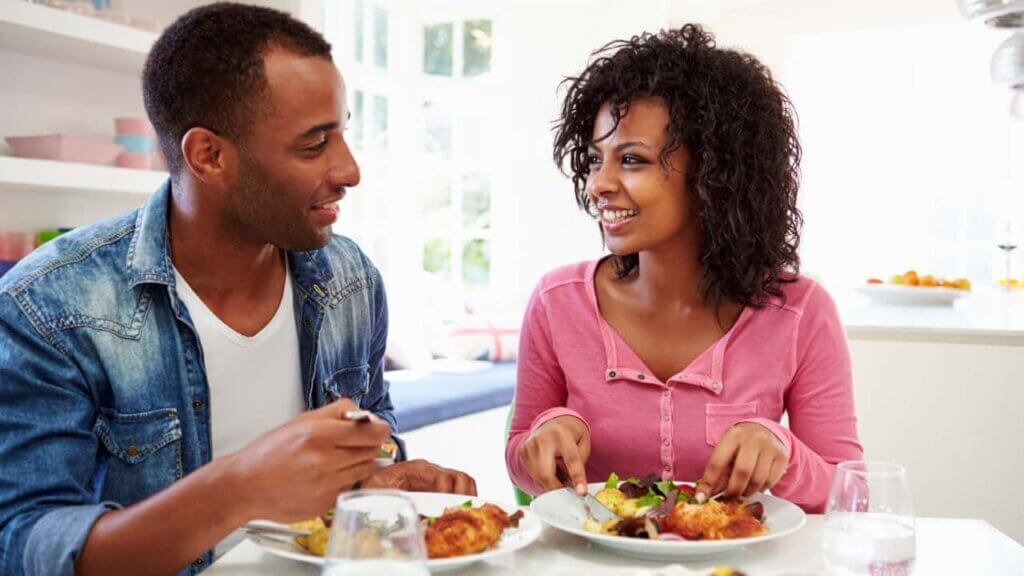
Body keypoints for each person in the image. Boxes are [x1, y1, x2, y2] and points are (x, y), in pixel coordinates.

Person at [0, 4, 474, 575]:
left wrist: (378, 475)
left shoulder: (351, 279)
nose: (350, 170)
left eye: (342, 132)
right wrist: (239, 486)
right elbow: (25, 546)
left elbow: (373, 423)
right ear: (209, 156)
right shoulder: (52, 305)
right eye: (313, 144)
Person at [505, 24, 863, 513]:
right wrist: (539, 442)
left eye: (632, 160)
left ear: (714, 174)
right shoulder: (556, 301)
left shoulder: (801, 312)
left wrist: (783, 452)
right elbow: (521, 458)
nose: (598, 185)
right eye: (594, 159)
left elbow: (849, 490)